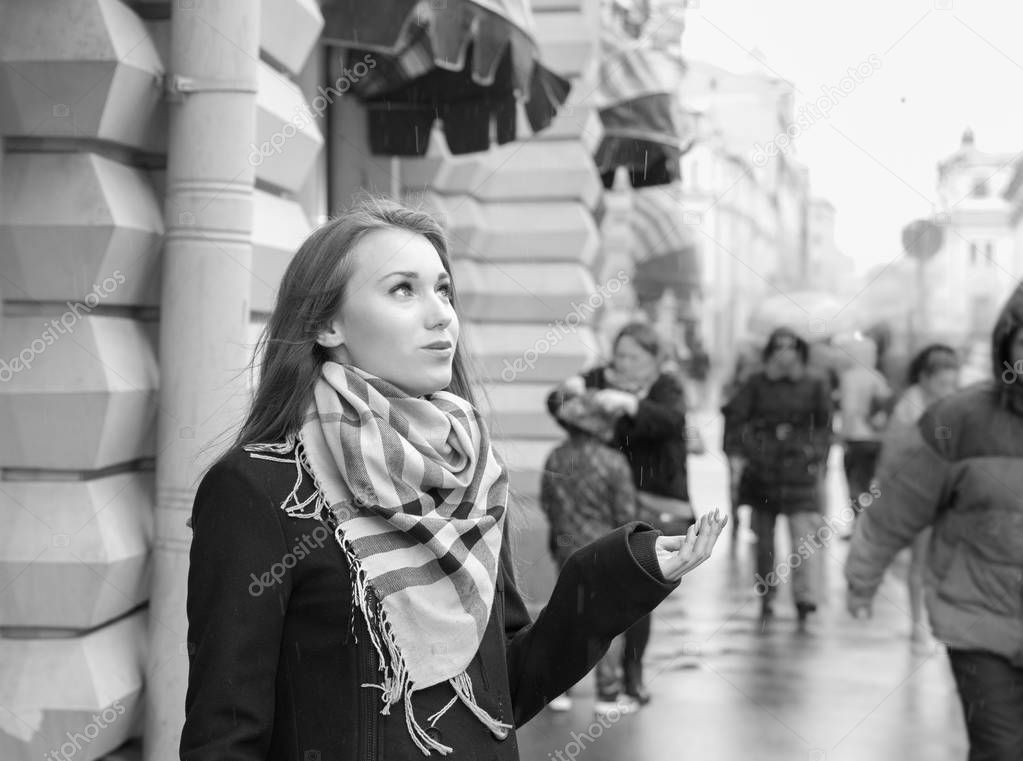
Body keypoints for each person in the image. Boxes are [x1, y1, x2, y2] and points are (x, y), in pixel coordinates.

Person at [180, 198, 727, 761]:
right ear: (325, 323)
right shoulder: (259, 488)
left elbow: (503, 694)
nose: (441, 314)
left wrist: (614, 577)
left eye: (443, 290)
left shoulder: (470, 475)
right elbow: (225, 734)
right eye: (402, 289)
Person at [845, 284, 1023, 761]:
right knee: (1001, 750)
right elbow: (897, 508)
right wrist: (862, 578)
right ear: (1009, 345)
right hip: (980, 619)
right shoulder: (959, 419)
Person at [547, 321, 692, 706]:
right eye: (620, 354)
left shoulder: (667, 386)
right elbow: (557, 406)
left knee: (639, 591)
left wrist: (632, 405)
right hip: (603, 500)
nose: (623, 363)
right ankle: (588, 681)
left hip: (654, 500)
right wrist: (569, 392)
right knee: (593, 589)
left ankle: (632, 675)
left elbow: (671, 421)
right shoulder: (599, 377)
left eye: (634, 357)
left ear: (653, 359)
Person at [723, 327, 833, 626]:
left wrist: (814, 452)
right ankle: (767, 594)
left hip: (800, 469)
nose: (785, 353)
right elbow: (735, 417)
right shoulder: (756, 383)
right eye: (779, 347)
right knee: (764, 543)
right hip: (763, 471)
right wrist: (746, 450)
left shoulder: (814, 383)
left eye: (791, 347)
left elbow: (825, 425)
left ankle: (804, 597)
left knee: (803, 540)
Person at [540, 388, 640, 716]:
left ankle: (559, 692)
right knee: (605, 622)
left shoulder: (556, 458)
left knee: (568, 617)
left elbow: (547, 503)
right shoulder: (614, 462)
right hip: (605, 550)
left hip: (567, 548)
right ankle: (607, 695)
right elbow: (626, 514)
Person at [880, 344, 960, 646]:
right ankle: (917, 624)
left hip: (952, 496)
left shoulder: (956, 406)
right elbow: (895, 453)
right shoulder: (909, 408)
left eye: (952, 383)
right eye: (942, 383)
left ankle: (943, 621)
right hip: (920, 496)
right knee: (921, 562)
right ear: (925, 379)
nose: (947, 389)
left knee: (946, 563)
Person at [836, 334, 892, 536]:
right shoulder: (878, 377)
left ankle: (858, 525)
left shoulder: (850, 378)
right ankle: (869, 525)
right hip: (876, 439)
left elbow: (849, 411)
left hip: (856, 438)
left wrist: (842, 436)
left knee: (854, 482)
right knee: (870, 483)